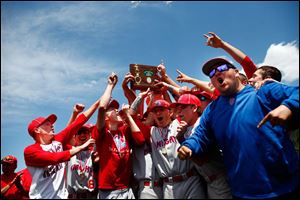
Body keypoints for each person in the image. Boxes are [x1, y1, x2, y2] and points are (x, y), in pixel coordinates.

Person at [177, 57, 299, 199]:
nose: (216, 73)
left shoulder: (262, 91)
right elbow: (201, 136)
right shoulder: (212, 110)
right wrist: (189, 145)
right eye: (211, 74)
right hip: (242, 192)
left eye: (222, 68)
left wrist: (288, 106)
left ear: (236, 72)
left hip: (285, 188)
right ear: (211, 82)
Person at [24, 98, 100, 199]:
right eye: (47, 124)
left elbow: (74, 126)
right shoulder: (30, 151)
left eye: (51, 123)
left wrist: (99, 101)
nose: (52, 125)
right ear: (37, 130)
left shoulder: (57, 143)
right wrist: (82, 147)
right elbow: (54, 158)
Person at [94, 72, 145, 199]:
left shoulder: (124, 131)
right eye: (112, 109)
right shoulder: (102, 133)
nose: (116, 110)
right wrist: (111, 85)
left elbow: (140, 140)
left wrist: (128, 112)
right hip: (109, 191)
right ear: (105, 117)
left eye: (116, 108)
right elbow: (101, 107)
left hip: (127, 189)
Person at [172, 93, 232, 199]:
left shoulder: (202, 124)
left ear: (194, 108)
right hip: (207, 181)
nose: (179, 111)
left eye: (183, 107)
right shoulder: (187, 128)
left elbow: (202, 160)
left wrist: (181, 140)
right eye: (178, 108)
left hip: (220, 180)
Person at [66, 123, 98, 199]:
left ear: (90, 135)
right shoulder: (70, 151)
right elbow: (66, 134)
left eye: (85, 132)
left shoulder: (95, 153)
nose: (82, 135)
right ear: (75, 137)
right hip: (73, 196)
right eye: (79, 133)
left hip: (92, 195)